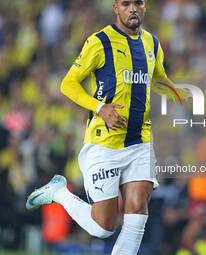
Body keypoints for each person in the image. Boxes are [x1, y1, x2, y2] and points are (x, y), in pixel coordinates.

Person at [26, 0, 186, 254]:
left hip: (140, 140)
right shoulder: (99, 42)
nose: (133, 8)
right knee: (103, 227)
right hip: (104, 143)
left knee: (137, 214)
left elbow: (157, 76)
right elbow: (68, 84)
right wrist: (100, 107)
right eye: (126, 4)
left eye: (138, 3)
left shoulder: (152, 43)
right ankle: (59, 193)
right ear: (115, 8)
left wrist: (179, 91)